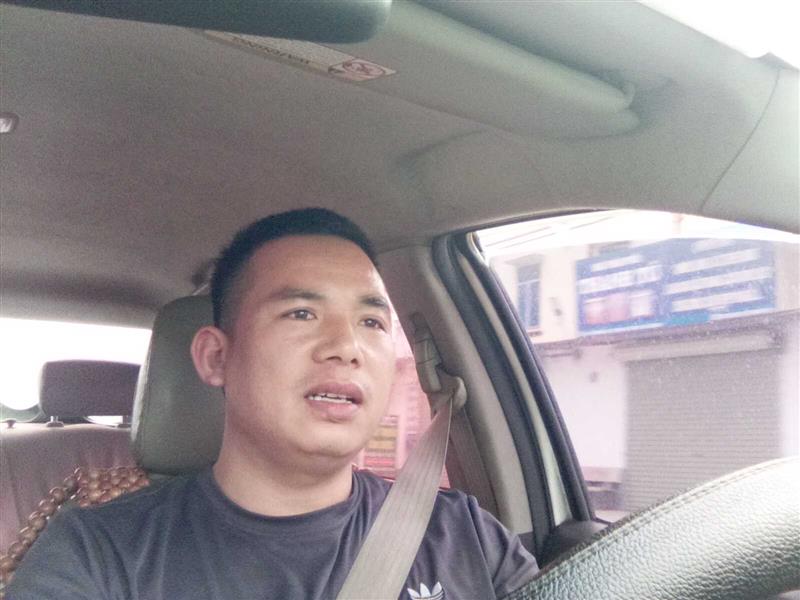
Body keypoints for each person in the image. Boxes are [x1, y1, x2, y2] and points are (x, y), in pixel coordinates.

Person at [8, 208, 538, 599]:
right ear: (216, 357)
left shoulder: (464, 535)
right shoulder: (98, 556)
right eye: (301, 314)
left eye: (371, 321)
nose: (347, 346)